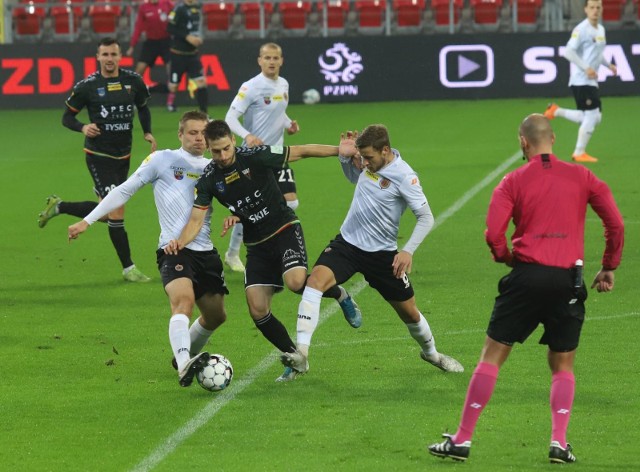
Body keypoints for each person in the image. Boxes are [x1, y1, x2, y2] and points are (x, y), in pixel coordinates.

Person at [428, 114, 624, 464]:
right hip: (569, 279)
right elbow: (615, 221)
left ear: (523, 141)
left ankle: (462, 440)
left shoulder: (512, 181)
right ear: (553, 139)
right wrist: (609, 265)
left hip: (527, 275)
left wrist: (505, 257)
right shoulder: (583, 176)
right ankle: (559, 444)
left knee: (492, 356)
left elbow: (493, 233)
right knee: (562, 364)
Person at [164, 119, 362, 382]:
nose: (222, 156)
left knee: (295, 283)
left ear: (233, 141)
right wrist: (180, 242)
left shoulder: (256, 156)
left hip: (284, 229)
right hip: (256, 245)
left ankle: (340, 294)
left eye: (225, 148)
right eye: (215, 151)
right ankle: (294, 357)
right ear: (209, 149)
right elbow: (195, 220)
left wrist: (340, 150)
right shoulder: (209, 179)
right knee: (257, 309)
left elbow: (300, 151)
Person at [285, 124, 464, 380]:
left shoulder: (405, 176)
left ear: (386, 150)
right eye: (363, 157)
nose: (365, 162)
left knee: (409, 312)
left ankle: (432, 354)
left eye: (368, 157)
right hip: (347, 244)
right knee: (314, 282)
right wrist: (345, 158)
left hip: (382, 255)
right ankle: (301, 354)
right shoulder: (370, 166)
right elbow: (354, 178)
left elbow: (426, 217)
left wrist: (407, 251)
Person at [68, 111, 226, 388]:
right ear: (180, 134)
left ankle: (182, 358)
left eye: (203, 133)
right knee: (183, 302)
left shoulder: (215, 166)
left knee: (216, 315)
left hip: (206, 251)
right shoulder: (163, 160)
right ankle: (184, 362)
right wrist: (87, 220)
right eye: (192, 132)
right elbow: (124, 190)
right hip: (173, 249)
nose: (199, 138)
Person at [38, 37, 157, 283]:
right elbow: (66, 118)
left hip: (123, 154)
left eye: (114, 54)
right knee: (116, 211)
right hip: (98, 155)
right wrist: (82, 128)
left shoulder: (133, 81)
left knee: (105, 214)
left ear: (120, 56)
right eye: (105, 55)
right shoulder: (87, 86)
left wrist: (147, 131)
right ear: (98, 57)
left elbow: (143, 107)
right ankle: (129, 268)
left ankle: (60, 206)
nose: (110, 59)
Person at [222, 42, 300, 273]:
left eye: (275, 57)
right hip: (254, 158)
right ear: (259, 60)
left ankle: (271, 245)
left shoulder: (283, 83)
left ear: (281, 60)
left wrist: (289, 124)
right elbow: (229, 119)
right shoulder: (251, 87)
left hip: (276, 154)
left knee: (291, 201)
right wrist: (248, 136)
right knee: (253, 208)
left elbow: (279, 111)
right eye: (267, 58)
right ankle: (234, 253)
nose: (272, 62)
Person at [543, 0, 617, 163]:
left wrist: (608, 65)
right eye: (592, 7)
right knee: (591, 115)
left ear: (602, 9)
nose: (595, 10)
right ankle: (579, 152)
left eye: (598, 7)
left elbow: (597, 53)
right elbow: (568, 52)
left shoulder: (600, 29)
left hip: (590, 80)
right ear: (585, 9)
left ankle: (556, 111)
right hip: (580, 80)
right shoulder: (581, 29)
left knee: (595, 117)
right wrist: (585, 68)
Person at [166, 0, 208, 113]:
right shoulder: (178, 8)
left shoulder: (197, 8)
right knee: (173, 87)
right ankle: (149, 89)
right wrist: (187, 37)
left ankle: (204, 114)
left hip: (192, 55)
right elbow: (170, 28)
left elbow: (196, 28)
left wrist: (199, 37)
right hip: (178, 55)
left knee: (201, 82)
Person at [126, 0, 174, 93]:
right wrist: (132, 45)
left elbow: (176, 14)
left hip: (166, 41)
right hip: (151, 43)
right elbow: (138, 27)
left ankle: (171, 101)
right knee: (139, 70)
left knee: (172, 69)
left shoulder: (167, 3)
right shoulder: (144, 8)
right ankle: (132, 99)